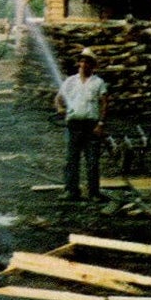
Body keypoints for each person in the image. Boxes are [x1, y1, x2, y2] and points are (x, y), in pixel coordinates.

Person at [55, 47, 108, 201]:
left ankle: (94, 193)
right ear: (79, 63)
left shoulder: (98, 82)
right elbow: (58, 97)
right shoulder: (70, 81)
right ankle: (71, 191)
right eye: (82, 61)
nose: (84, 65)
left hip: (91, 125)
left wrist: (101, 123)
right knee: (72, 159)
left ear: (93, 65)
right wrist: (59, 108)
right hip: (74, 125)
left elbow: (105, 103)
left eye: (88, 62)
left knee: (92, 160)